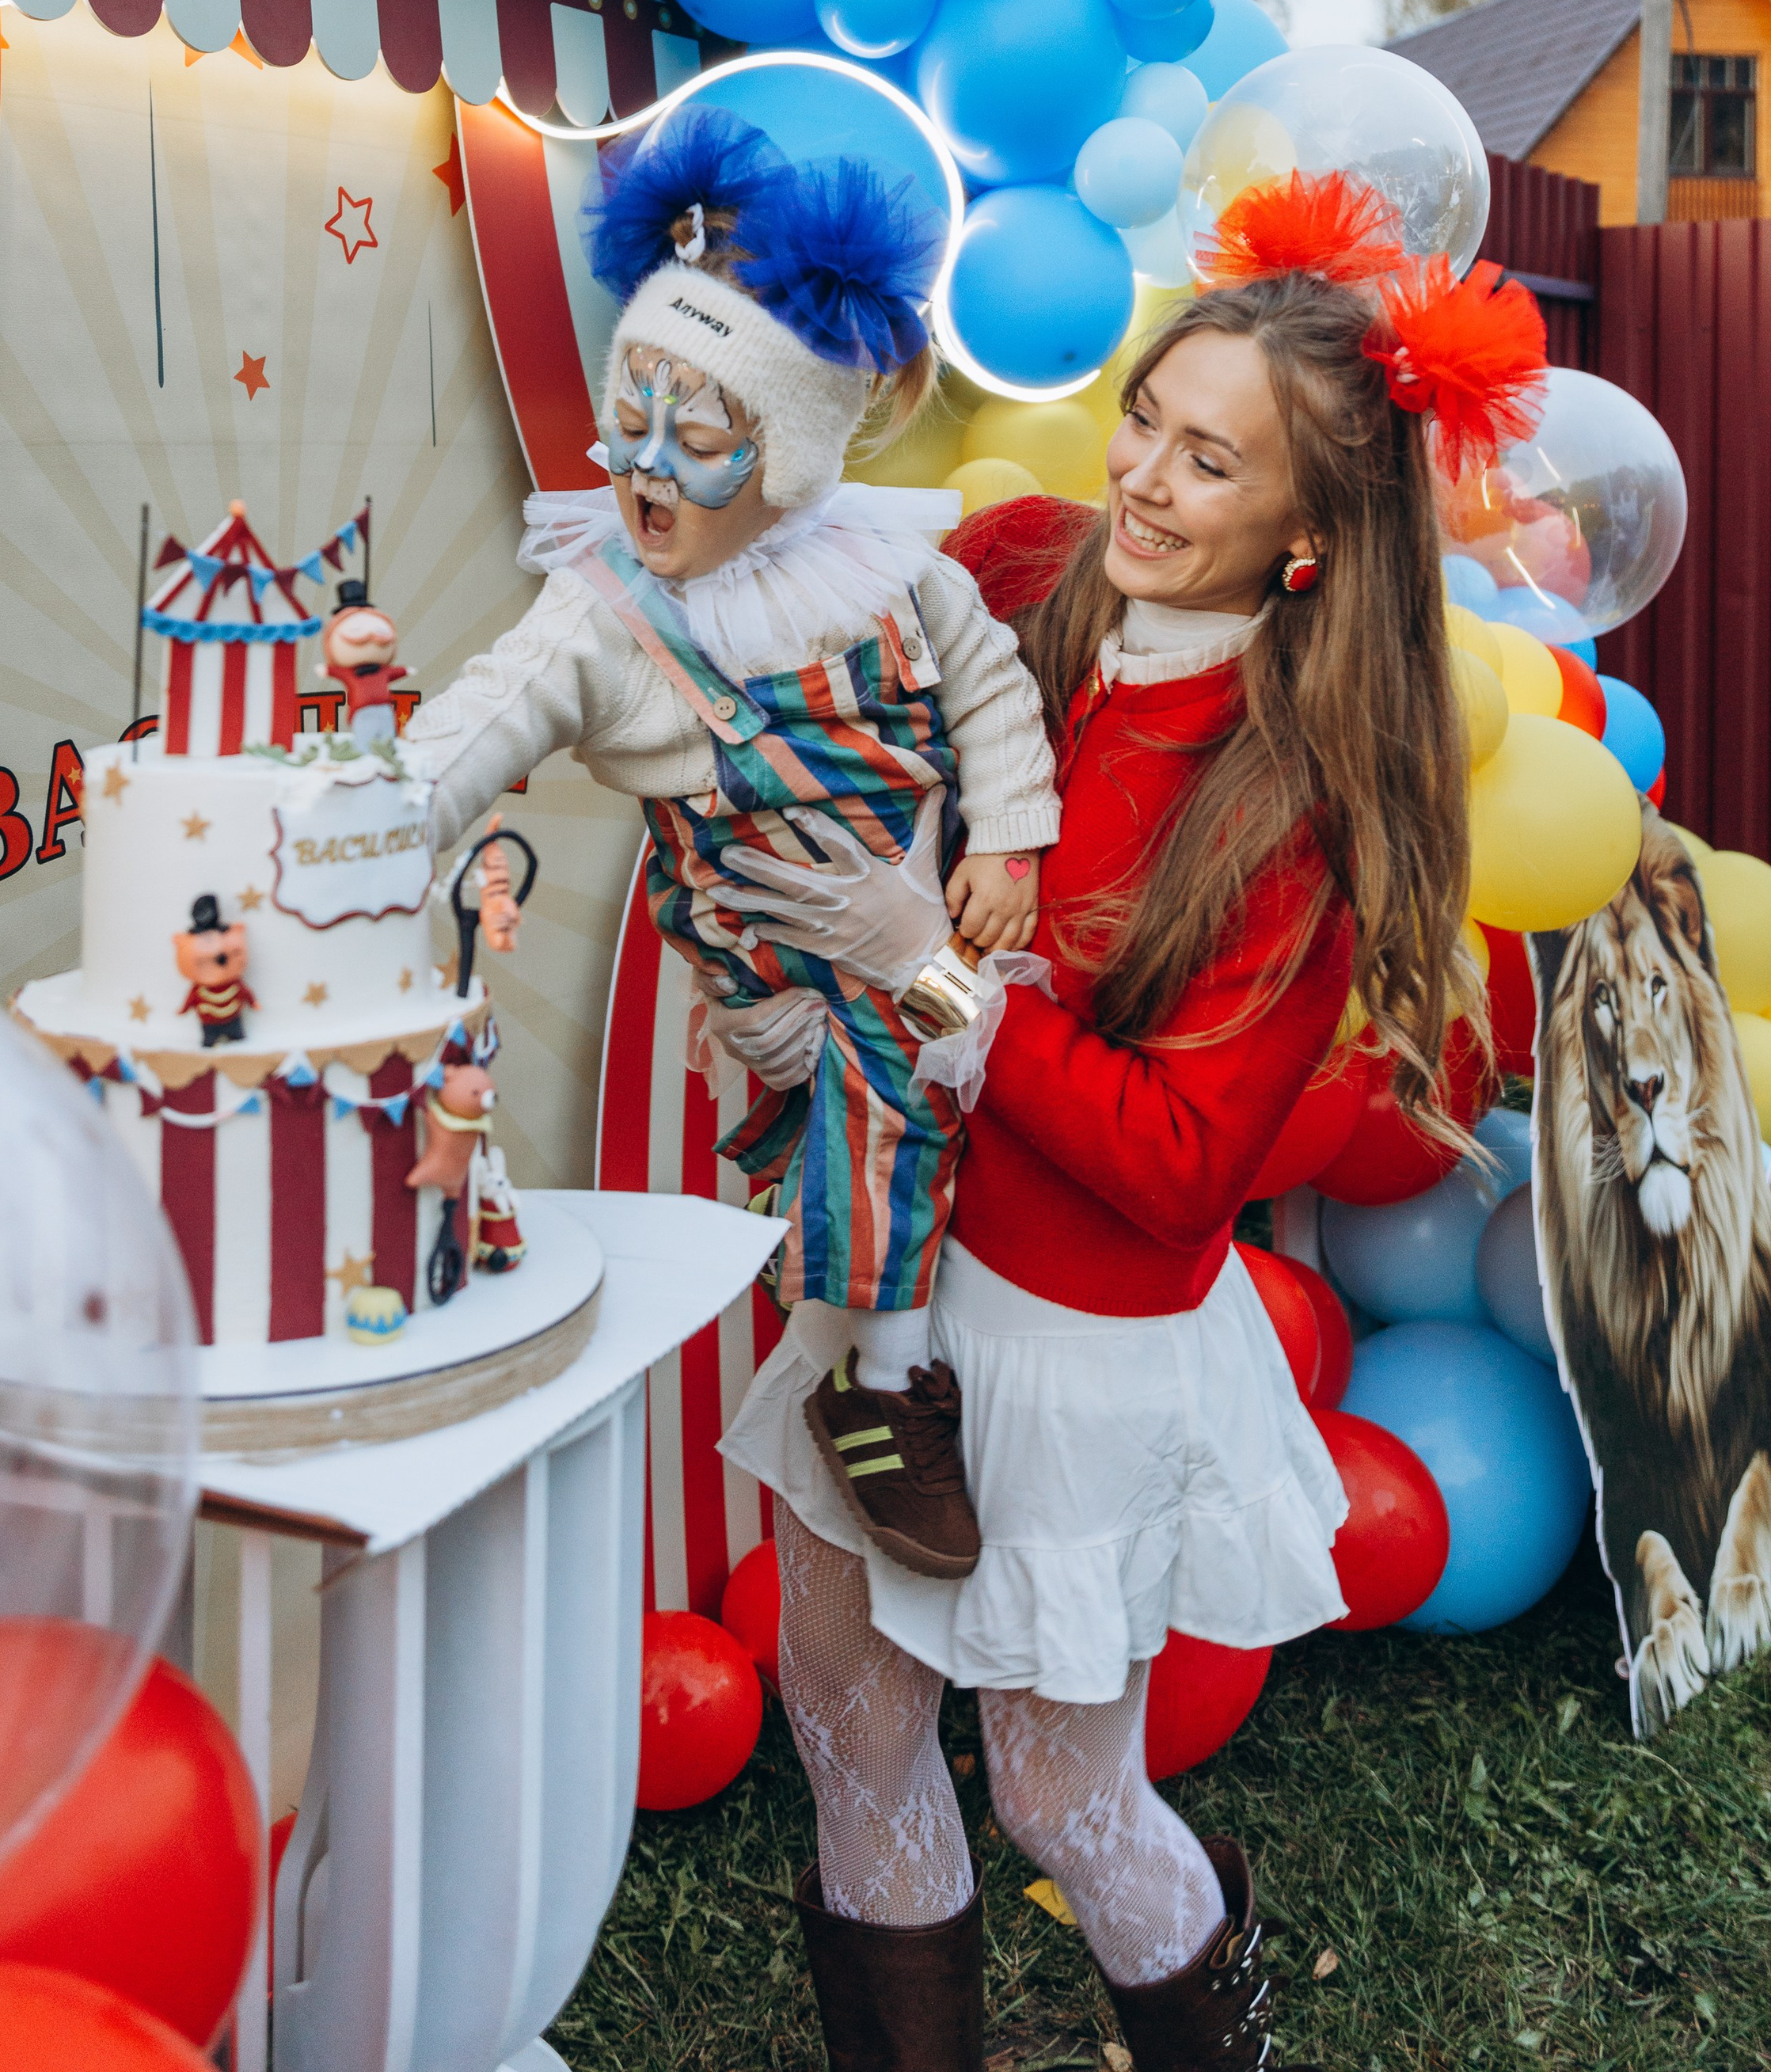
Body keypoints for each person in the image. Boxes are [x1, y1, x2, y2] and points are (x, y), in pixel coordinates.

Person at [715, 172, 1548, 2070]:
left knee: (1051, 1794)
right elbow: (814, 542)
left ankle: (1207, 2024)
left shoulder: (1291, 810)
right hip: (887, 1288)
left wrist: (932, 976)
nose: (1148, 485)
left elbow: (1178, 1176)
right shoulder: (1031, 576)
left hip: (1071, 1351)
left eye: (1213, 466)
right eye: (1148, 426)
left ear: (1311, 532)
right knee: (840, 1712)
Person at [405, 105, 1061, 1579]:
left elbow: (994, 692)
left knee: (923, 1095)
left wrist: (1010, 839)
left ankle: (878, 1365)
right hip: (776, 955)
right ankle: (875, 1388)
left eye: (694, 441)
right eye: (629, 419)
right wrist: (370, 810)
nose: (642, 468)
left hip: (931, 943)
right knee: (855, 1105)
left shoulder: (894, 567)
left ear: (796, 454)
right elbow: (485, 718)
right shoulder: (611, 614)